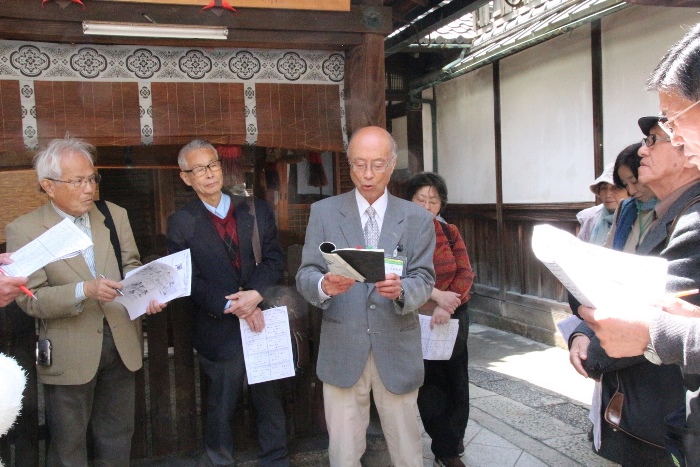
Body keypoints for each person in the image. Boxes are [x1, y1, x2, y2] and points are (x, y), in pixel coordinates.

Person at [5, 137, 165, 466]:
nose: (88, 188)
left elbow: (131, 265)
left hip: (121, 340)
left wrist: (147, 291)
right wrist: (85, 290)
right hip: (70, 348)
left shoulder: (113, 215)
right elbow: (32, 300)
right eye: (77, 181)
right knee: (68, 444)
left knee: (118, 435)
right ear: (48, 186)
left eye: (92, 178)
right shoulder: (25, 229)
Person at [296, 126, 436, 467]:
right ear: (348, 165)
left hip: (396, 344)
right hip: (343, 343)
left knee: (407, 450)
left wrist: (403, 290)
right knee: (343, 452)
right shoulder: (325, 212)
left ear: (392, 164)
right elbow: (306, 273)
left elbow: (424, 277)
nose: (368, 174)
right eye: (359, 164)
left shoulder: (416, 216)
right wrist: (323, 285)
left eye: (377, 164)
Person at [576, 115, 700, 464]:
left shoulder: (693, 218)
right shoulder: (669, 212)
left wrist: (592, 354)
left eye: (653, 139)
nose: (642, 150)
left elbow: (653, 313)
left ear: (687, 147)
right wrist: (583, 331)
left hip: (664, 399)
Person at [166, 140, 289, 467]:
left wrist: (255, 295)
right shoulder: (181, 222)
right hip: (217, 326)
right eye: (199, 169)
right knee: (221, 405)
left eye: (213, 165)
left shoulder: (255, 209)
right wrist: (233, 305)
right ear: (185, 178)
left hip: (261, 318)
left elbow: (275, 259)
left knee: (270, 400)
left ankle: (276, 460)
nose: (208, 174)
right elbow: (185, 278)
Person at [404, 172, 474, 467]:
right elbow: (399, 275)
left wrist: (448, 304)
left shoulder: (450, 232)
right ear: (409, 200)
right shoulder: (400, 234)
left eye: (433, 200)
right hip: (420, 318)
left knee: (458, 382)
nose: (427, 205)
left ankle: (453, 443)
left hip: (455, 315)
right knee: (431, 386)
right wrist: (435, 297)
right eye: (421, 199)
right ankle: (444, 448)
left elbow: (465, 272)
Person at [605, 142, 657, 252]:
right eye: (625, 185)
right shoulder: (624, 209)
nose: (631, 191)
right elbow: (609, 251)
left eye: (634, 181)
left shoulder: (669, 207)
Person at [576, 163, 628, 245]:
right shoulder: (590, 217)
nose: (608, 194)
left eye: (616, 188)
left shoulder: (637, 215)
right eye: (604, 188)